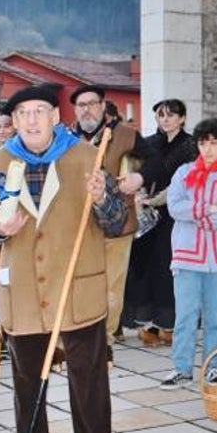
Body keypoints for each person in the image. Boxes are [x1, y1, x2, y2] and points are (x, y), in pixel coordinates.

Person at [0, 83, 127, 433]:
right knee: (27, 385)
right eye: (23, 114)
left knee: (89, 384)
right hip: (23, 292)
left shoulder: (86, 158)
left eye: (39, 112)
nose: (31, 121)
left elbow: (116, 223)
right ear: (14, 122)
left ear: (56, 117)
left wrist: (102, 200)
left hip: (79, 288)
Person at [159, 118, 217, 388]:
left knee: (215, 318)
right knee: (185, 316)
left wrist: (194, 211)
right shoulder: (183, 173)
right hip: (187, 256)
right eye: (203, 143)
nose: (208, 149)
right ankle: (181, 367)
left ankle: (214, 367)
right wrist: (210, 208)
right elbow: (175, 208)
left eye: (213, 143)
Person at [71, 84, 146, 359]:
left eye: (92, 104)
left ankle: (105, 342)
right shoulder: (65, 137)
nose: (87, 109)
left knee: (112, 287)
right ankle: (80, 335)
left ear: (103, 107)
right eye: (81, 105)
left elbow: (157, 161)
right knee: (80, 283)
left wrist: (140, 177)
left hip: (118, 222)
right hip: (78, 224)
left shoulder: (126, 134)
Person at [124, 98, 196, 346]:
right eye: (161, 115)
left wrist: (165, 198)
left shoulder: (190, 146)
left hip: (175, 214)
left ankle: (170, 324)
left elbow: (193, 179)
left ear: (182, 118)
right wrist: (139, 193)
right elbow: (134, 170)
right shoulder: (147, 143)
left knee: (170, 267)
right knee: (144, 267)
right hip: (146, 212)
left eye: (171, 115)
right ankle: (147, 324)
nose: (165, 119)